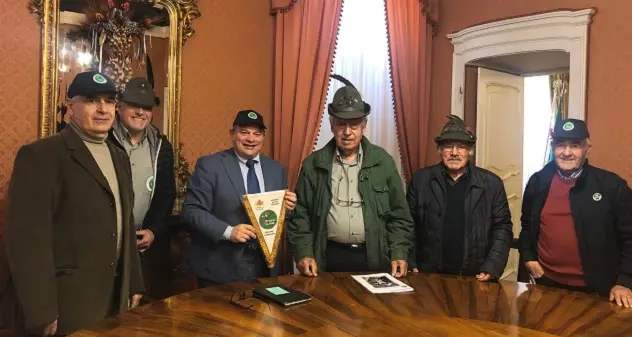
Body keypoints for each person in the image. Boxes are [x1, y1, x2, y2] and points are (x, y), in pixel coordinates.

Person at [5, 71, 144, 336]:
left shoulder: (119, 156)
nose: (103, 109)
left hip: (115, 296)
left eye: (110, 101)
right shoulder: (41, 155)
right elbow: (27, 240)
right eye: (92, 100)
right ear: (71, 106)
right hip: (67, 301)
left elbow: (125, 221)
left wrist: (133, 282)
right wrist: (41, 310)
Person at [287, 75, 413, 278]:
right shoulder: (313, 164)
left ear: (364, 126)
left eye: (354, 125)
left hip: (374, 258)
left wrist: (399, 251)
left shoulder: (383, 162)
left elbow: (399, 216)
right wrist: (303, 252)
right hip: (327, 258)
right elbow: (300, 216)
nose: (347, 132)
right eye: (341, 124)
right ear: (332, 125)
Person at [519, 118, 632, 307]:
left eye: (575, 146)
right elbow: (526, 225)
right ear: (553, 148)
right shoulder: (538, 182)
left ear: (587, 149)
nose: (567, 152)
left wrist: (625, 281)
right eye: (561, 145)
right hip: (548, 283)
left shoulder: (612, 186)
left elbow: (630, 237)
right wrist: (528, 256)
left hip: (599, 289)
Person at [181, 110, 297, 287]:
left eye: (257, 134)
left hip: (264, 268)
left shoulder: (276, 170)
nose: (251, 139)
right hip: (220, 268)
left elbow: (276, 217)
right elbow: (191, 211)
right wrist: (229, 231)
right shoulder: (210, 165)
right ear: (232, 134)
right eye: (244, 132)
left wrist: (287, 209)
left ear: (263, 137)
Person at [407, 115, 512, 281]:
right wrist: (410, 261)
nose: (454, 153)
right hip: (428, 276)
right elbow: (407, 225)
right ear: (439, 149)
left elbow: (502, 228)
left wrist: (493, 265)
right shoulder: (421, 180)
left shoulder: (492, 184)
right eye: (448, 147)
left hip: (476, 276)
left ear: (470, 150)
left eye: (461, 147)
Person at [109, 77, 176, 252]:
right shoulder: (103, 140)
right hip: (105, 241)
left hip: (142, 245)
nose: (140, 112)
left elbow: (166, 194)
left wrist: (153, 231)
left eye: (146, 107)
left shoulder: (162, 147)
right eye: (134, 105)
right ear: (120, 106)